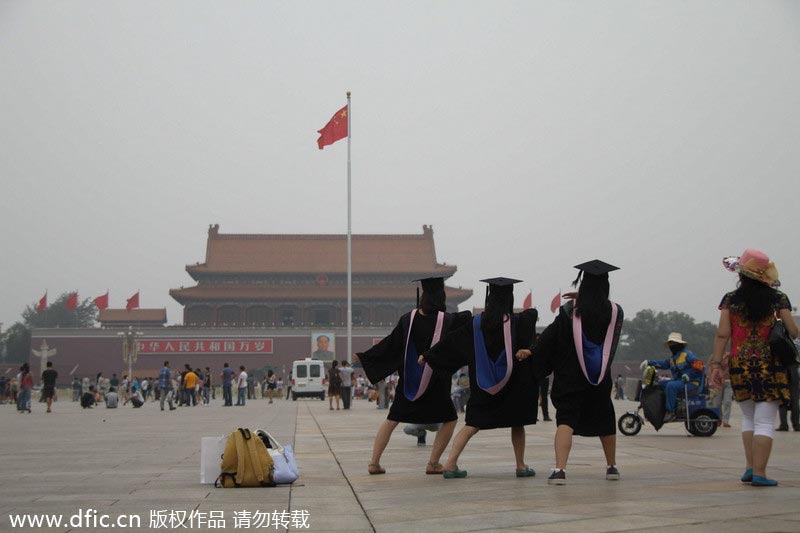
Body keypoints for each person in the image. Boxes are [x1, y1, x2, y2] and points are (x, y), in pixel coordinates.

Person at [519, 260, 624, 485]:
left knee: (566, 420)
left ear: (583, 285)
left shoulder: (569, 312)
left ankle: (560, 470)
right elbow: (599, 308)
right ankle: (612, 467)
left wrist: (532, 350)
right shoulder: (615, 312)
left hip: (570, 378)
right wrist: (588, 297)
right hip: (599, 378)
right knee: (605, 419)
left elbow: (550, 336)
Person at [422, 277, 538, 479]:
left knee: (471, 425)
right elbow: (531, 316)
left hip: (482, 387)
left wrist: (429, 355)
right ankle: (520, 465)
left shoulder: (475, 325)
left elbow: (452, 342)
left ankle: (450, 464)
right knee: (517, 422)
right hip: (512, 387)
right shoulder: (517, 323)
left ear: (489, 299)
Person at [357, 277, 471, 475]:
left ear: (424, 296)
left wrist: (366, 357)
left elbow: (390, 344)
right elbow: (464, 329)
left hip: (409, 383)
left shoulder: (406, 320)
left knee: (392, 419)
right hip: (436, 384)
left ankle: (374, 462)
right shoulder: (448, 321)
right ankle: (433, 463)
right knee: (450, 419)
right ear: (441, 296)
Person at [709, 248, 798, 486]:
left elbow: (722, 335)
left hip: (739, 364)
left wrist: (716, 364)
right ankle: (760, 472)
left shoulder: (730, 299)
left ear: (741, 274)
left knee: (749, 418)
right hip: (769, 366)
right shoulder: (778, 299)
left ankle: (749, 468)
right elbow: (793, 331)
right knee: (765, 421)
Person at [641, 333, 705, 422]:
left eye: (673, 343)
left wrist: (689, 375)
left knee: (671, 386)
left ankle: (671, 412)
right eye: (670, 344)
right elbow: (663, 364)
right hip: (679, 382)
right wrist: (649, 362)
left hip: (691, 383)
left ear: (679, 344)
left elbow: (700, 366)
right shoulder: (673, 358)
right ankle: (662, 408)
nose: (672, 346)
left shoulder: (687, 355)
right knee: (660, 384)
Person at [777, 364, 799, 431]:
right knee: (795, 398)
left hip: (781, 368)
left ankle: (784, 425)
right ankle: (796, 425)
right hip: (793, 368)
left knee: (783, 397)